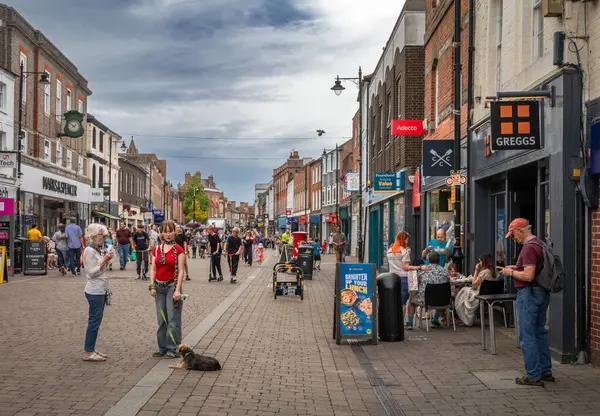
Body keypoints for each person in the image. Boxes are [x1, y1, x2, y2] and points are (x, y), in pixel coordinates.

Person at [498, 218, 553, 387]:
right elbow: (533, 270)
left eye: (513, 234)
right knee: (539, 332)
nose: (513, 238)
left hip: (529, 294)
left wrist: (510, 272)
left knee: (527, 335)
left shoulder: (528, 248)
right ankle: (545, 371)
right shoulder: (539, 243)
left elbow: (528, 276)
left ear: (521, 231)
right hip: (541, 292)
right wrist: (517, 267)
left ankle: (533, 376)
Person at [149, 220, 185, 359]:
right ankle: (162, 347)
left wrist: (177, 290)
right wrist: (152, 285)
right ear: (161, 233)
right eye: (165, 231)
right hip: (159, 286)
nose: (168, 234)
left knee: (173, 319)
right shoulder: (156, 249)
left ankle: (173, 348)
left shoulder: (179, 250)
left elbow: (181, 271)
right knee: (161, 319)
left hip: (172, 286)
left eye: (171, 231)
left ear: (174, 233)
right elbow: (153, 269)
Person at [82, 223, 114, 362]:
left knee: (96, 320)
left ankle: (91, 348)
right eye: (100, 236)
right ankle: (88, 351)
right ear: (93, 237)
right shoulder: (89, 251)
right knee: (94, 321)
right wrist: (103, 261)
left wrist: (107, 259)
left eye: (103, 236)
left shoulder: (96, 250)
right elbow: (91, 273)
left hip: (100, 289)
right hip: (94, 290)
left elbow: (102, 268)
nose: (103, 239)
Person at [405, 252, 450, 330]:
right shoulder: (445, 271)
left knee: (411, 299)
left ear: (428, 260)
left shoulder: (423, 271)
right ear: (439, 261)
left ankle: (409, 322)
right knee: (441, 294)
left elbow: (417, 283)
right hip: (442, 300)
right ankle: (435, 320)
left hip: (425, 300)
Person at [455, 254, 499, 326]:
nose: (479, 263)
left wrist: (476, 270)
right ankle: (466, 319)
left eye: (480, 261)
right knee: (464, 291)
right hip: (491, 294)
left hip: (480, 295)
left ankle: (467, 320)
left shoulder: (484, 272)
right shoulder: (495, 271)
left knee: (463, 291)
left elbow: (474, 284)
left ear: (484, 262)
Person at [387, 231, 427, 309]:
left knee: (394, 300)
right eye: (406, 240)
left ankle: (394, 319)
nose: (407, 241)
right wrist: (420, 267)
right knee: (403, 302)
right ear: (403, 240)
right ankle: (401, 320)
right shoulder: (404, 251)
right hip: (403, 279)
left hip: (392, 278)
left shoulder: (389, 250)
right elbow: (406, 267)